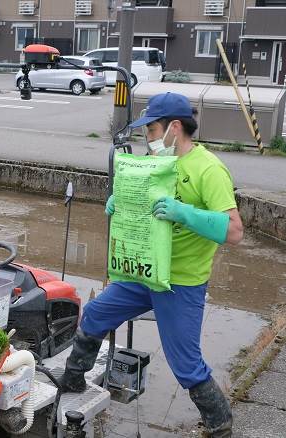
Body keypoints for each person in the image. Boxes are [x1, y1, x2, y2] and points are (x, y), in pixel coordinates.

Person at [59, 93, 244, 437]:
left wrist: (182, 212)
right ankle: (71, 381)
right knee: (97, 313)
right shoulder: (157, 164)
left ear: (175, 127)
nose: (149, 138)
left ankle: (220, 423)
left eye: (153, 130)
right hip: (143, 271)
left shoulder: (208, 169)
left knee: (185, 364)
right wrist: (121, 202)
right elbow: (142, 208)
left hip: (180, 282)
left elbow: (234, 232)